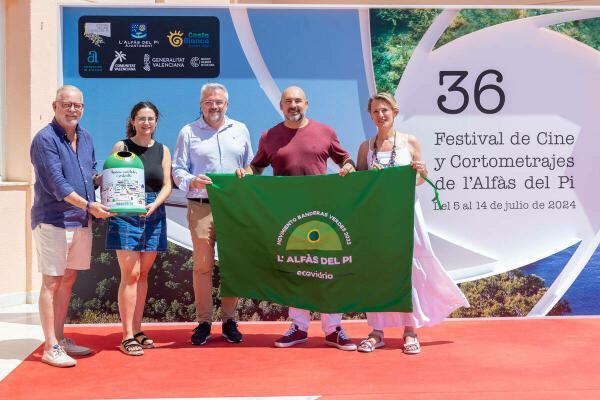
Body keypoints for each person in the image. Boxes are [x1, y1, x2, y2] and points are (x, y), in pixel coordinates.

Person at [235, 86, 357, 351]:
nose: (293, 105)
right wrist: (246, 172)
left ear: (306, 104)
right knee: (295, 270)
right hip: (287, 215)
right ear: (281, 105)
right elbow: (257, 166)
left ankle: (333, 329)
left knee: (327, 268)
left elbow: (345, 160)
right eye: (288, 101)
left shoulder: (325, 131)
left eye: (298, 101)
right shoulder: (269, 136)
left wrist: (347, 167)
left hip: (323, 212)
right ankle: (299, 327)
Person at [355, 92, 469, 354]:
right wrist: (370, 177)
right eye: (375, 111)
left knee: (411, 269)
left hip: (406, 214)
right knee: (377, 271)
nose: (380, 115)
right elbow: (359, 183)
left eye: (384, 110)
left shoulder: (410, 141)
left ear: (394, 112)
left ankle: (410, 330)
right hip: (377, 219)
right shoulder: (365, 147)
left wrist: (422, 172)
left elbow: (418, 180)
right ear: (370, 115)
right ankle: (377, 331)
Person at [30, 85, 114, 367]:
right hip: (53, 220)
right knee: (51, 281)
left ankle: (60, 339)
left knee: (68, 279)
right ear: (55, 106)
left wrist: (114, 175)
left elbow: (89, 175)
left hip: (80, 220)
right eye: (67, 105)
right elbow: (57, 185)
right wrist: (90, 206)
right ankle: (49, 347)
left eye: (77, 105)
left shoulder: (86, 137)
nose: (72, 110)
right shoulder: (44, 139)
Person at [172, 83, 254, 345]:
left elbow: (250, 165)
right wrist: (192, 181)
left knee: (232, 265)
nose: (214, 106)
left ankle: (230, 320)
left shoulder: (240, 129)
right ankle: (204, 322)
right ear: (201, 105)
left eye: (219, 102)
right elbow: (177, 169)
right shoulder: (188, 132)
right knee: (203, 267)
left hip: (232, 207)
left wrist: (247, 173)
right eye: (209, 102)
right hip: (201, 206)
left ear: (226, 104)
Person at [105, 102, 172, 356]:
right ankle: (126, 336)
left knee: (143, 275)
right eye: (141, 118)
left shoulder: (163, 150)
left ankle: (137, 328)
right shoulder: (121, 147)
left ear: (156, 122)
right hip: (125, 214)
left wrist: (155, 203)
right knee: (130, 275)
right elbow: (109, 180)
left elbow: (167, 184)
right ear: (133, 121)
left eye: (151, 118)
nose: (146, 123)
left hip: (154, 211)